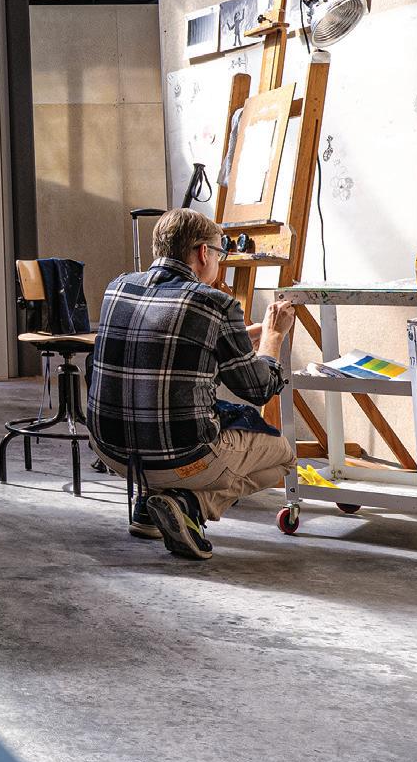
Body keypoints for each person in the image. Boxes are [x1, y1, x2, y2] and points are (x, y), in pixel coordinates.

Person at [87, 207, 297, 560]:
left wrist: (240, 336)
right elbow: (258, 389)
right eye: (219, 254)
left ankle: (147, 507)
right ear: (203, 252)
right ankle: (190, 504)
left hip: (112, 451)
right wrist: (273, 337)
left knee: (154, 410)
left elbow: (167, 346)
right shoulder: (214, 302)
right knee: (283, 456)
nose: (219, 262)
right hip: (178, 457)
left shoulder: (118, 287)